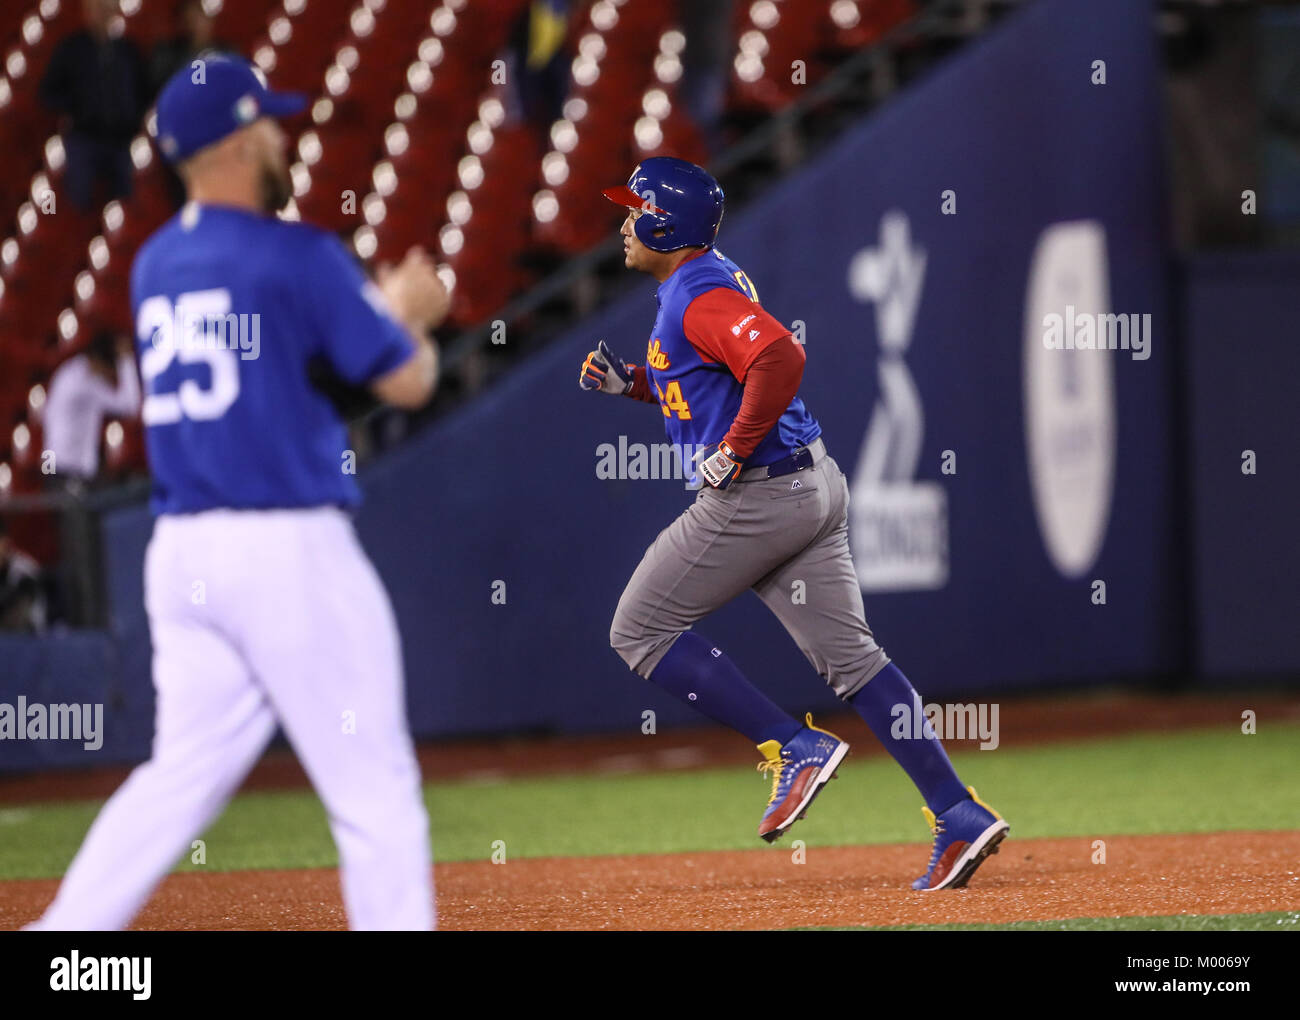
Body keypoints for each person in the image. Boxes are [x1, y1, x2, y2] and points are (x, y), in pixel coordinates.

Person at [27, 55, 449, 931]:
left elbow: (275, 359)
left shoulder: (151, 264)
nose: (281, 135)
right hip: (285, 547)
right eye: (270, 123)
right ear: (241, 140)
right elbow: (406, 381)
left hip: (181, 550)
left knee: (175, 778)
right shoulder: (297, 255)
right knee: (374, 790)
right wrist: (407, 309)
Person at [579, 157, 1009, 891]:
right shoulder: (699, 282)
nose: (623, 222)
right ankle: (957, 812)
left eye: (633, 210)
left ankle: (792, 746)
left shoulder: (695, 291)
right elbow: (707, 380)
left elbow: (779, 357)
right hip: (811, 483)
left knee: (637, 630)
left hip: (759, 495)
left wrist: (733, 452)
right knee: (858, 664)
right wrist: (636, 386)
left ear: (662, 221)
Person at [39, 0, 149, 212]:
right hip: (84, 136)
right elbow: (47, 92)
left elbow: (144, 91)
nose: (102, 15)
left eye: (107, 9)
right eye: (97, 9)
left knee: (126, 201)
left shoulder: (128, 50)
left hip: (122, 138)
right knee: (79, 197)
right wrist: (75, 107)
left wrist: (134, 116)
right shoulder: (72, 48)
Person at [43, 329, 141, 484]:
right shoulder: (82, 381)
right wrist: (126, 360)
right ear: (99, 362)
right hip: (66, 471)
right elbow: (130, 405)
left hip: (54, 465)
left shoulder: (70, 370)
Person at [0, 518, 48, 634]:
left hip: (25, 640)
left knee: (25, 588)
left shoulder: (25, 568)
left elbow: (34, 618)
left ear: (5, 542)